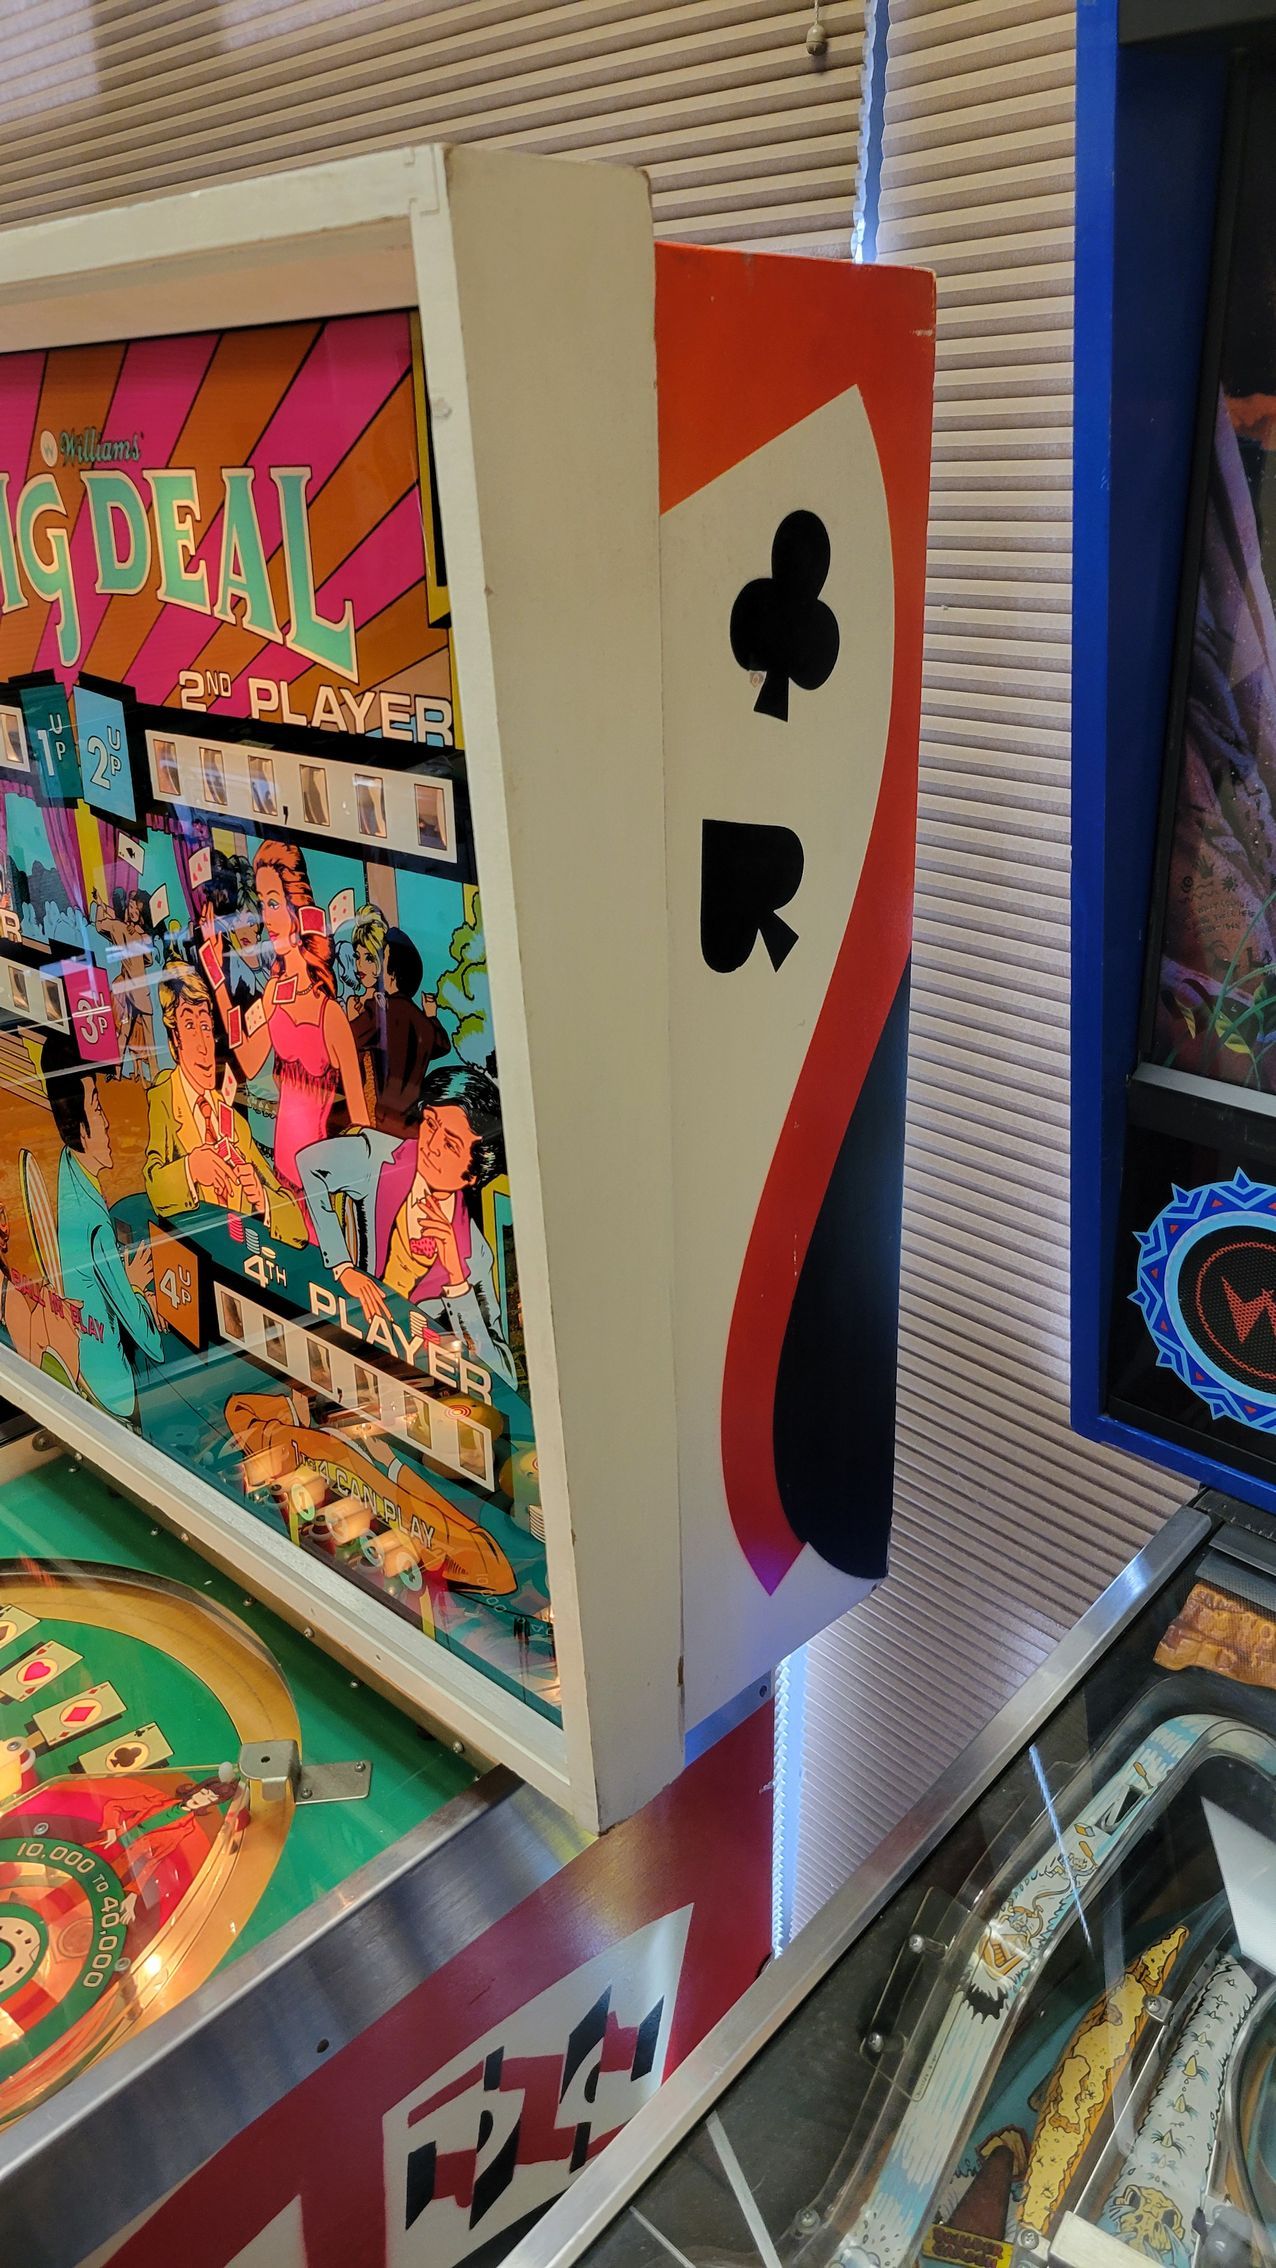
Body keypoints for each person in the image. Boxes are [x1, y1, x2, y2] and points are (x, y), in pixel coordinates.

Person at [297, 1064, 516, 1389]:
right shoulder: (380, 1159)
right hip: (341, 1344)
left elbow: (502, 1376)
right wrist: (343, 1267)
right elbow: (311, 1164)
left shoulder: (474, 1255)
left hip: (412, 1381)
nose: (430, 1145)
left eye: (451, 1145)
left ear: (471, 1176)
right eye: (431, 1124)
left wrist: (457, 1281)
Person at [202, 839, 369, 1215]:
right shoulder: (275, 993)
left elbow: (361, 1122)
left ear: (300, 910)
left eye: (273, 903)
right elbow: (244, 1055)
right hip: (277, 1181)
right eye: (263, 903)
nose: (266, 917)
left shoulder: (330, 1015)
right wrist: (216, 974)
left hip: (319, 1191)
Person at [224, 1387, 515, 1593]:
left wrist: (394, 1470)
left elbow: (495, 1572)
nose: (477, 1458)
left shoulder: (479, 1512)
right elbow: (240, 1411)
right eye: (468, 1450)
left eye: (480, 1449)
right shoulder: (346, 1447)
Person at [40, 1029, 162, 1422]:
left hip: (85, 1363)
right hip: (114, 1392)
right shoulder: (95, 1225)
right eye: (97, 1108)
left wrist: (119, 1280)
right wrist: (140, 1289)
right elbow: (150, 1338)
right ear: (79, 1125)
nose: (108, 1123)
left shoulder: (68, 1168)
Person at [144, 963, 305, 1245]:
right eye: (190, 1026)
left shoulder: (234, 1122)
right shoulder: (162, 1099)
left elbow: (297, 1229)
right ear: (174, 1041)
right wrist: (191, 1168)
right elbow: (153, 1187)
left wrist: (262, 1196)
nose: (203, 1045)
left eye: (205, 1026)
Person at [375, 929, 450, 1137]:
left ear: (393, 972)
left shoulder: (385, 1012)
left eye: (383, 958)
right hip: (411, 1124)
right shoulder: (421, 1020)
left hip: (383, 1121)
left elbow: (351, 1038)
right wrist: (432, 1016)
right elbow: (442, 1045)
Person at [91, 887, 157, 1080]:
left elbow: (99, 924)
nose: (133, 911)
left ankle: (120, 1072)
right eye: (131, 907)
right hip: (134, 989)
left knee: (131, 1033)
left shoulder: (122, 929)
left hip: (131, 988)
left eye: (137, 909)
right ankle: (139, 1074)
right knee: (133, 1033)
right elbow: (148, 960)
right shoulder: (132, 933)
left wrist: (100, 905)